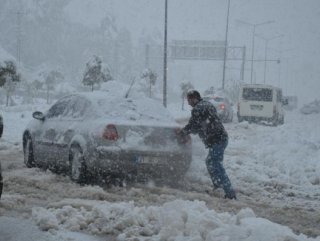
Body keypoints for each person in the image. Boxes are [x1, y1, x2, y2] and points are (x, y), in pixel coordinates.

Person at [178, 90, 236, 199]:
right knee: (210, 161)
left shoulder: (198, 108)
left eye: (189, 100)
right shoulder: (206, 105)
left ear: (194, 98)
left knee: (216, 164)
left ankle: (230, 192)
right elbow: (200, 125)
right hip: (220, 138)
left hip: (217, 140)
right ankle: (218, 186)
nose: (188, 102)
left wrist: (183, 132)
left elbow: (193, 125)